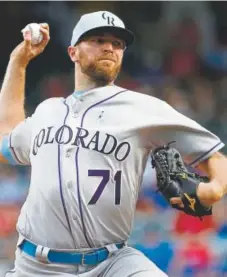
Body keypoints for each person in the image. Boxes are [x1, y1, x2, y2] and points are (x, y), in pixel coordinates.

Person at [0, 10, 227, 277]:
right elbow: (6, 141)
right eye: (97, 40)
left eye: (117, 43)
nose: (109, 47)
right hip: (36, 267)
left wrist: (215, 188)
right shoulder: (48, 110)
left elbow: (216, 156)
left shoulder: (144, 108)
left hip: (113, 263)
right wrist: (18, 61)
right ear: (73, 52)